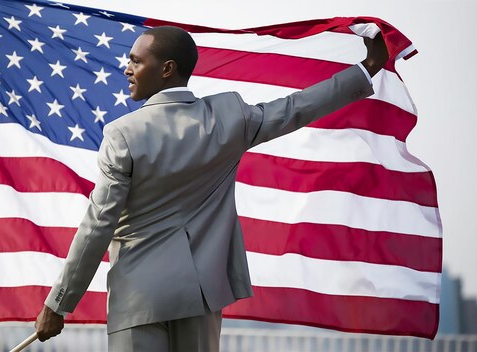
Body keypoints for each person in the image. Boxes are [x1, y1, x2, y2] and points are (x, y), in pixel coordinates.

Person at [35, 25, 389, 351]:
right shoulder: (230, 116)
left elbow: (98, 225)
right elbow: (297, 108)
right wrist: (368, 67)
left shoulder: (122, 134)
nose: (126, 69)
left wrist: (59, 303)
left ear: (167, 68)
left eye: (136, 61)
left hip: (139, 298)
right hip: (203, 296)